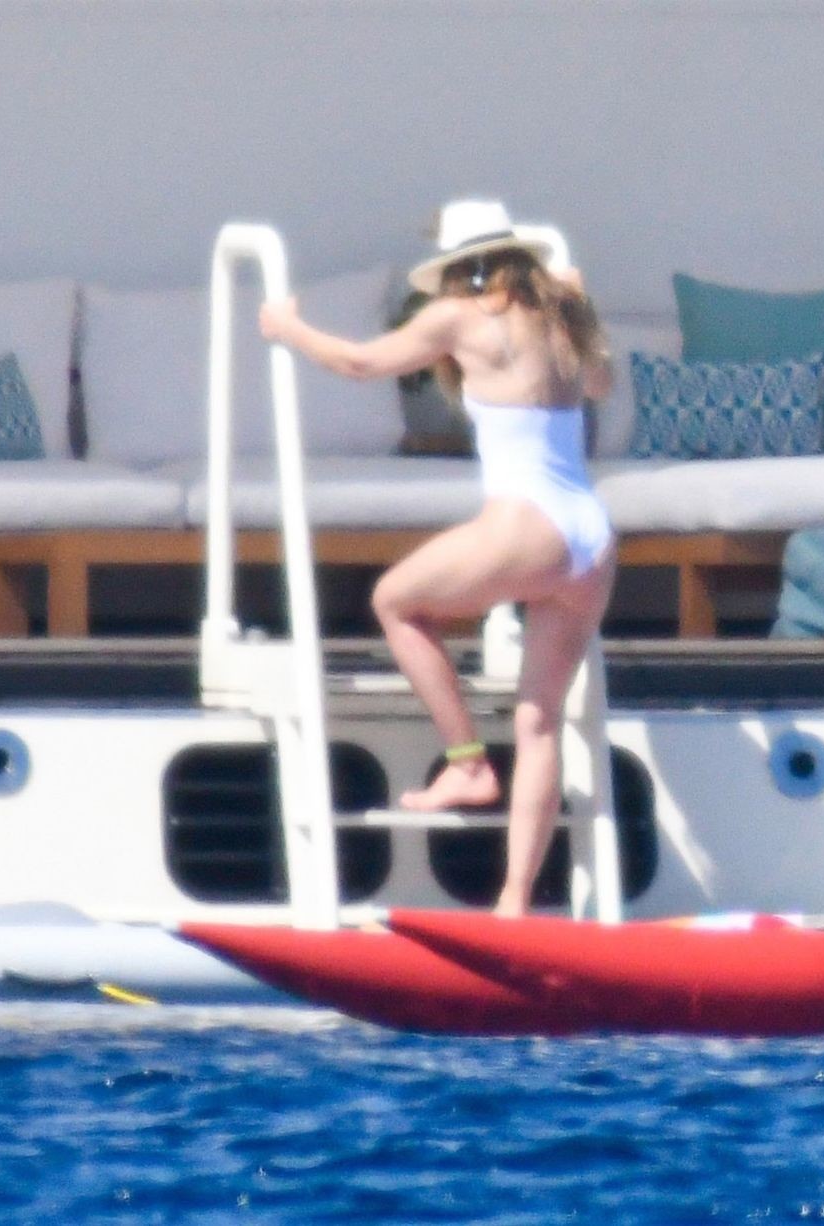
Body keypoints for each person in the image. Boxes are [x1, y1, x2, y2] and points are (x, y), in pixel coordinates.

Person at [259, 200, 615, 917]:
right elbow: (602, 385)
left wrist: (287, 328)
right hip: (591, 537)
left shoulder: (459, 317)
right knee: (539, 722)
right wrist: (581, 304)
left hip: (527, 526)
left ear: (460, 269)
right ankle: (514, 903)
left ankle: (466, 763)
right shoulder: (560, 313)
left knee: (394, 601)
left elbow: (360, 363)